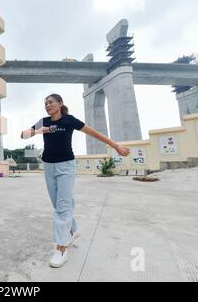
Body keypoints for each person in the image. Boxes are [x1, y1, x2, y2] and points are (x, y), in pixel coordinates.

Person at [21, 93, 130, 268]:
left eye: (50, 102)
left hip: (65, 166)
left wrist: (115, 145)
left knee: (63, 207)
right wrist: (38, 130)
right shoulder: (44, 121)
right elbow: (23, 135)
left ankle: (61, 249)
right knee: (58, 204)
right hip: (48, 166)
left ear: (60, 104)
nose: (47, 105)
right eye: (45, 103)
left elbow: (93, 133)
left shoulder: (69, 120)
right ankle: (74, 230)